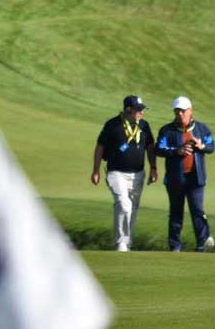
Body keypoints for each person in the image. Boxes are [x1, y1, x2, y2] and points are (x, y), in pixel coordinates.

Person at [90, 95, 158, 251]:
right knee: (124, 205)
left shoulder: (144, 125)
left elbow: (150, 147)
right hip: (116, 173)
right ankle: (121, 243)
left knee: (132, 209)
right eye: (139, 110)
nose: (142, 113)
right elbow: (100, 147)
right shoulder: (112, 125)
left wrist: (153, 167)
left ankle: (128, 242)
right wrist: (95, 170)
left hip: (138, 174)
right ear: (128, 110)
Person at [156, 96, 215, 253]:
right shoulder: (167, 130)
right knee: (176, 213)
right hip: (175, 179)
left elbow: (211, 146)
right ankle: (175, 246)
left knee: (197, 211)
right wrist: (177, 151)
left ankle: (202, 244)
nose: (180, 114)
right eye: (177, 111)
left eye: (183, 110)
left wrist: (201, 146)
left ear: (190, 111)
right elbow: (159, 149)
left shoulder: (202, 129)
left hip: (196, 178)